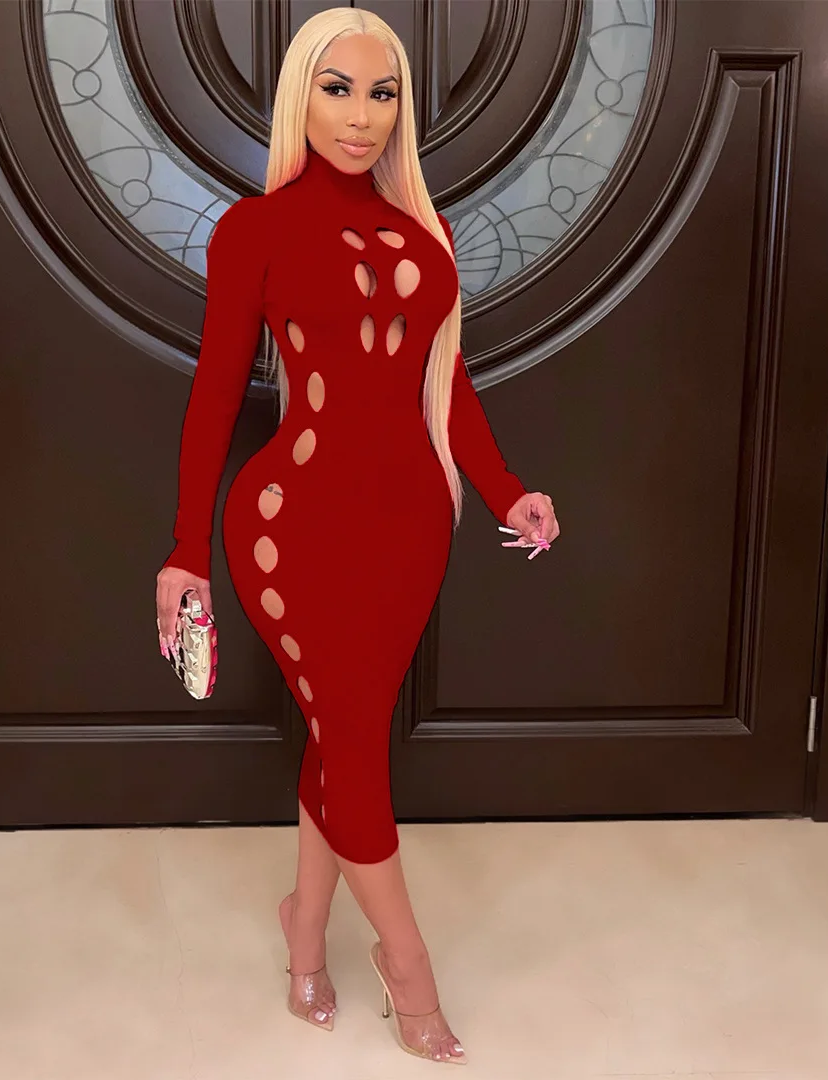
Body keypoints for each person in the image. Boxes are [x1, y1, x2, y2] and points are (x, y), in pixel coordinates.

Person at [155, 6, 559, 1065]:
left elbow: (446, 383)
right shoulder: (254, 230)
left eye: (383, 94)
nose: (361, 115)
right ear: (301, 95)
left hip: (411, 524)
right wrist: (185, 551)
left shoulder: (427, 232)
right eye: (337, 89)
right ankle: (408, 967)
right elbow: (212, 399)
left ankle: (304, 927)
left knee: (345, 737)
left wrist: (507, 490)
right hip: (290, 528)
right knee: (355, 743)